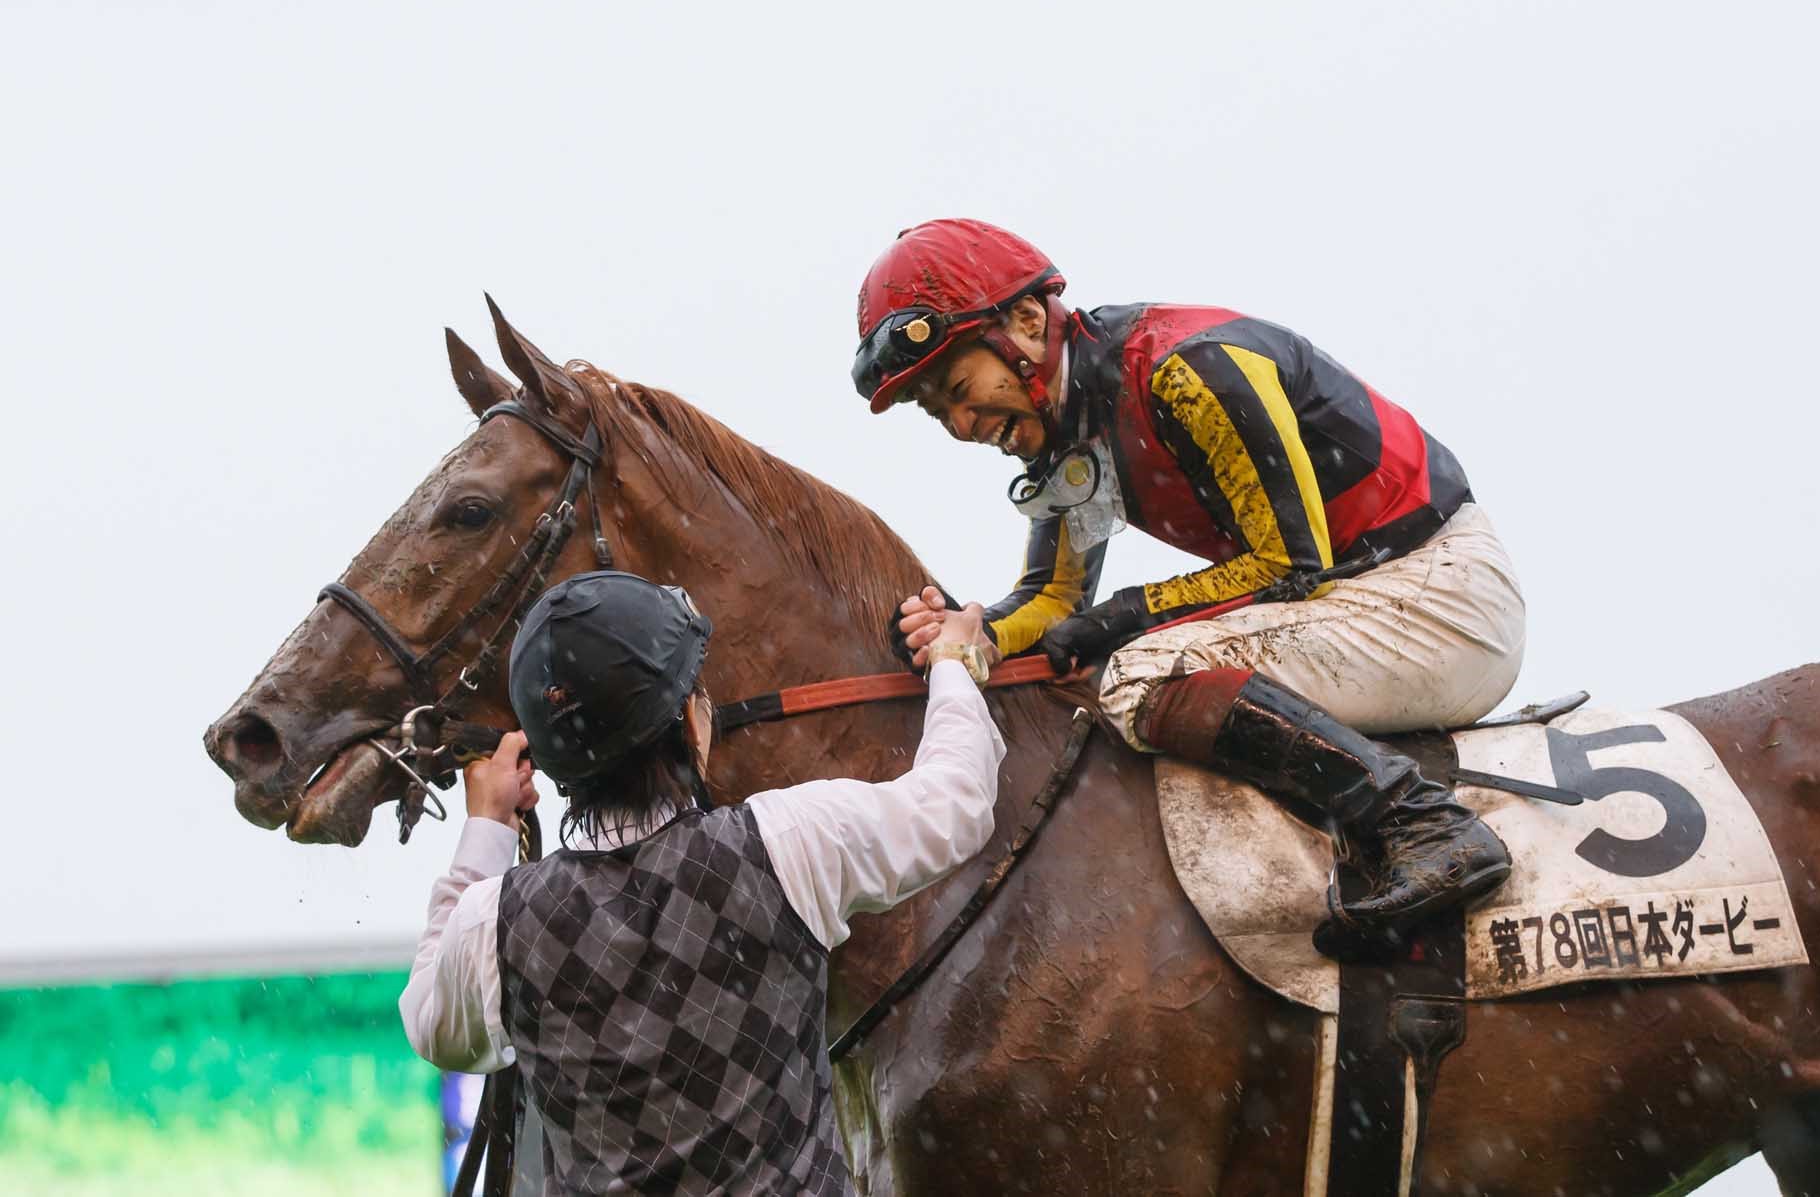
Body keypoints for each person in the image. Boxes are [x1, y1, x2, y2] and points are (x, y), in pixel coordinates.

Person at [852, 218, 1526, 953]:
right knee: (1122, 661)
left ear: (1024, 321)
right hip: (1357, 598)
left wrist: (1125, 613)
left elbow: (1286, 568)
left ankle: (1423, 823)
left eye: (956, 388)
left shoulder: (1185, 367)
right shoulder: (1066, 425)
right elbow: (1052, 602)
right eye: (933, 410)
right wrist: (972, 636)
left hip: (1434, 590)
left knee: (1138, 673)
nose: (959, 425)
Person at [400, 570, 1004, 1194]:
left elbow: (431, 1025)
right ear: (690, 723)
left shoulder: (491, 920)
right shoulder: (787, 839)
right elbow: (956, 802)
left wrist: (487, 827)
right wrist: (954, 659)